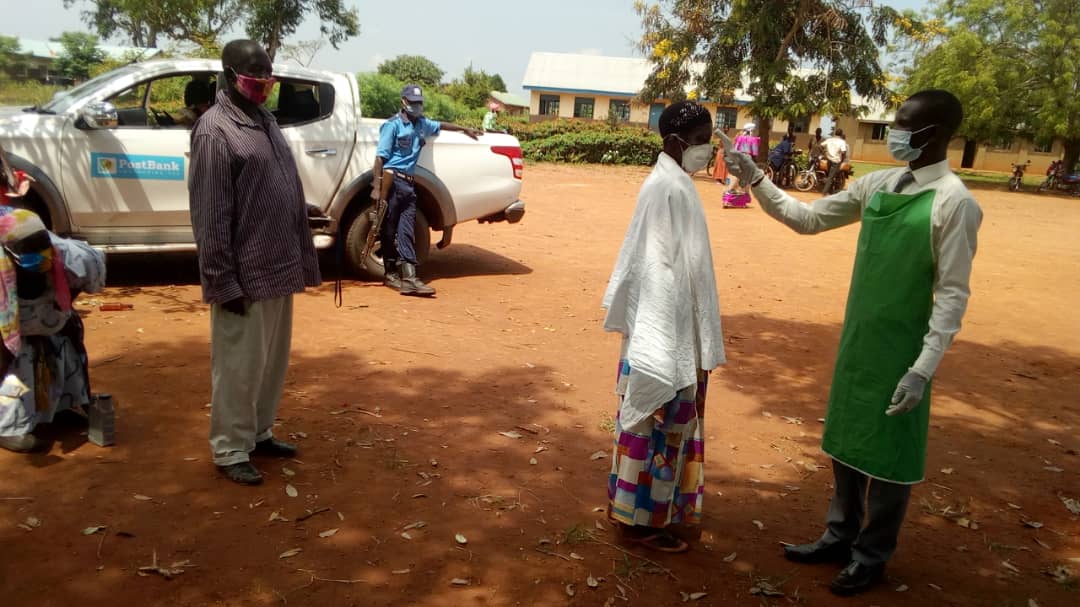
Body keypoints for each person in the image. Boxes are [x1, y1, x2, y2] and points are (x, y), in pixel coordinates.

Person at [721, 90, 981, 596]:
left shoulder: (955, 203)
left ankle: (871, 554)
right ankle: (839, 535)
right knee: (847, 441)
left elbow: (952, 294)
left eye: (903, 124)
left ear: (934, 134)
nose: (895, 133)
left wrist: (923, 368)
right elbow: (809, 219)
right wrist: (755, 178)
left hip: (904, 349)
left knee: (890, 455)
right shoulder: (879, 184)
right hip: (860, 339)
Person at [189, 39, 321, 485]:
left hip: (278, 265)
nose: (263, 87)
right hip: (242, 276)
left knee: (269, 364)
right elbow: (210, 215)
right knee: (238, 367)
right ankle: (230, 448)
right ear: (229, 76)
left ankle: (259, 432)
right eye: (253, 79)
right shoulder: (214, 131)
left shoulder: (265, 120)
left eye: (268, 79)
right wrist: (221, 282)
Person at [602, 101, 726, 553]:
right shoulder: (664, 189)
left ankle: (654, 511)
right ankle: (639, 521)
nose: (707, 149)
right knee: (654, 426)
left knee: (668, 430)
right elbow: (656, 272)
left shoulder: (678, 184)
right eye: (701, 141)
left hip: (677, 332)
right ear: (675, 142)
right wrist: (664, 349)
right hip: (663, 336)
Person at [0, 205, 105, 453]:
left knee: (63, 352)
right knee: (17, 367)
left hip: (49, 320)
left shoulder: (69, 255)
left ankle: (59, 408)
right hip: (10, 330)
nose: (39, 260)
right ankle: (8, 426)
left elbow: (82, 282)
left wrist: (59, 314)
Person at [373, 84, 481, 296]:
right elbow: (379, 159)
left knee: (406, 231)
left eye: (419, 103)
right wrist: (376, 189)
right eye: (413, 103)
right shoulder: (393, 125)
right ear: (403, 102)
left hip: (409, 185)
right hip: (392, 182)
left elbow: (442, 125)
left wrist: (464, 129)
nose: (417, 106)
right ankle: (391, 274)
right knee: (388, 230)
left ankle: (410, 279)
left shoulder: (422, 124)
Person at [822, 129, 849, 195]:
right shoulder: (842, 142)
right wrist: (842, 160)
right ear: (841, 134)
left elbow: (821, 145)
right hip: (836, 161)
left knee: (830, 175)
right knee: (831, 177)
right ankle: (825, 192)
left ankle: (830, 190)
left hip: (829, 160)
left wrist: (825, 152)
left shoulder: (829, 140)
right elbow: (843, 152)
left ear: (835, 133)